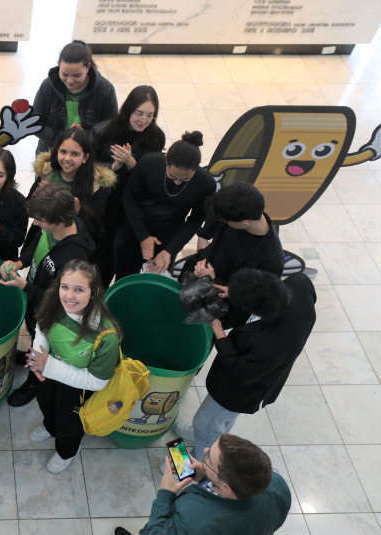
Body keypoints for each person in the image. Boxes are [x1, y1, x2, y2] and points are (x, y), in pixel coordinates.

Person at [178, 269, 316, 459]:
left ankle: (198, 464)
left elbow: (240, 371)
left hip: (242, 388)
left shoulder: (271, 343)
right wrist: (235, 291)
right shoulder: (299, 284)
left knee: (207, 423)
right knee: (221, 420)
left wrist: (219, 332)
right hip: (258, 372)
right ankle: (206, 434)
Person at [0, 185, 95, 407]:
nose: (36, 223)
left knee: (42, 348)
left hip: (49, 315)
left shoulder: (74, 259)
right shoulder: (53, 230)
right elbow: (37, 243)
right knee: (33, 336)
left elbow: (64, 303)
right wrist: (20, 261)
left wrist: (25, 287)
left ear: (60, 219)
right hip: (35, 301)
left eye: (40, 219)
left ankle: (34, 383)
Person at [25, 260, 121, 473]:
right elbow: (41, 327)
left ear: (94, 292)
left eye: (79, 290)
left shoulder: (106, 336)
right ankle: (50, 427)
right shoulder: (53, 303)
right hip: (49, 375)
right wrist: (40, 355)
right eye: (65, 287)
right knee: (46, 403)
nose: (69, 296)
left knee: (70, 424)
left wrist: (48, 365)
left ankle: (67, 451)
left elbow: (97, 381)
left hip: (78, 389)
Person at [114, 434, 291, 535]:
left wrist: (165, 494)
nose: (204, 451)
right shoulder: (278, 485)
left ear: (226, 487)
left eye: (208, 459)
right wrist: (206, 476)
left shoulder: (195, 522)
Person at [115, 131, 216, 280]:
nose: (177, 182)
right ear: (166, 158)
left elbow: (194, 221)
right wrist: (144, 236)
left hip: (168, 238)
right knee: (124, 278)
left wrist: (170, 250)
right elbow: (130, 199)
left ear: (196, 169)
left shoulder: (206, 184)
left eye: (185, 179)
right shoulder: (148, 163)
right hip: (134, 228)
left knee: (156, 283)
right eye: (172, 176)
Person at [92, 85, 166, 285]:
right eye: (139, 113)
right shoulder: (103, 131)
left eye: (150, 115)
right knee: (100, 260)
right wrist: (114, 166)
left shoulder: (156, 137)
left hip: (133, 205)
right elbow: (90, 167)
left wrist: (133, 164)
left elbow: (155, 178)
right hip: (106, 203)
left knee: (125, 261)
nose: (144, 120)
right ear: (128, 110)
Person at [183, 182, 283, 329]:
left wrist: (209, 280)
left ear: (245, 222)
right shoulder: (230, 208)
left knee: (197, 335)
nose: (221, 221)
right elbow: (205, 234)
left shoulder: (270, 260)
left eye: (226, 221)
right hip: (196, 277)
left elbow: (254, 297)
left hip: (218, 308)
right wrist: (202, 255)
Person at [29, 128, 116, 279]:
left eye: (75, 154)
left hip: (72, 247)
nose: (67, 158)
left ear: (85, 157)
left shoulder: (97, 184)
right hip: (44, 236)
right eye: (63, 152)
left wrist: (79, 212)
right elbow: (29, 205)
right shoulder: (48, 171)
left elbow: (98, 227)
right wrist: (39, 196)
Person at [31, 40, 118, 153]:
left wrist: (84, 136)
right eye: (64, 74)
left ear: (88, 68)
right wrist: (64, 137)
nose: (70, 81)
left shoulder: (105, 90)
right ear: (59, 67)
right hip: (51, 146)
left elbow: (111, 128)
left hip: (88, 148)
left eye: (77, 75)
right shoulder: (48, 86)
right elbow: (34, 123)